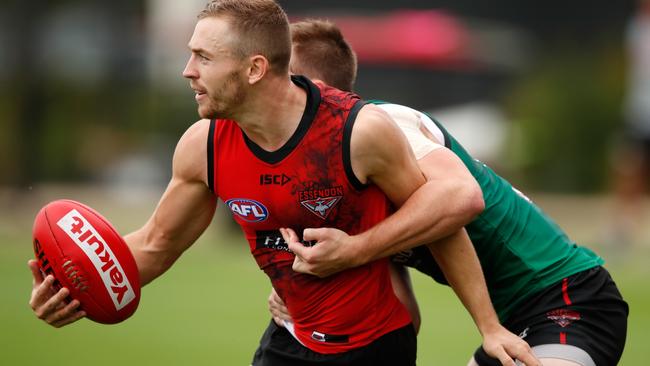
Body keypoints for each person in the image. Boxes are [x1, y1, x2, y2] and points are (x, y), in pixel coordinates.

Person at [26, 2, 536, 365]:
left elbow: (442, 221)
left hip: (371, 345)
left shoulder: (358, 133)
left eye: (204, 57)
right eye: (190, 54)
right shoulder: (203, 145)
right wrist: (74, 284)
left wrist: (489, 328)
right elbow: (156, 245)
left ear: (253, 68)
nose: (187, 71)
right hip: (288, 339)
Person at [263, 19, 629, 366]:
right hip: (512, 322)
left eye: (277, 73)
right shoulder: (339, 173)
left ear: (309, 83)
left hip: (569, 299)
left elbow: (462, 197)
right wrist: (303, 294)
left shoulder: (381, 126)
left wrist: (355, 249)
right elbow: (403, 317)